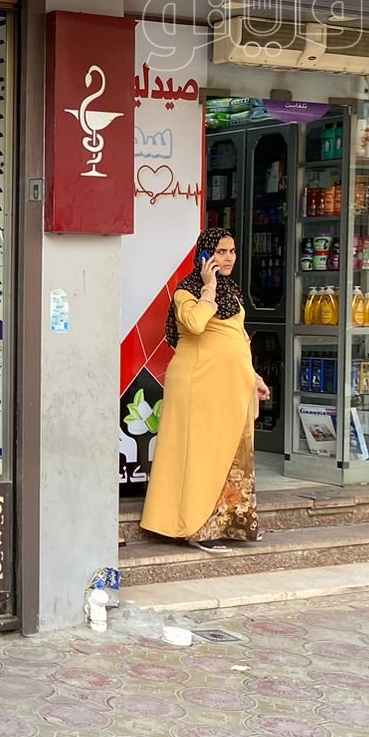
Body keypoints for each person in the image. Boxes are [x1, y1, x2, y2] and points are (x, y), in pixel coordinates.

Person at [141, 228, 272, 548]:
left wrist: (254, 377)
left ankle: (228, 525)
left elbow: (238, 338)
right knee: (199, 455)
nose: (228, 258)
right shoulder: (186, 292)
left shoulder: (233, 292)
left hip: (231, 386)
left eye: (232, 251)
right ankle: (195, 527)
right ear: (204, 255)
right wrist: (208, 288)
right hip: (198, 385)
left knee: (229, 455)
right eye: (220, 252)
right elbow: (196, 324)